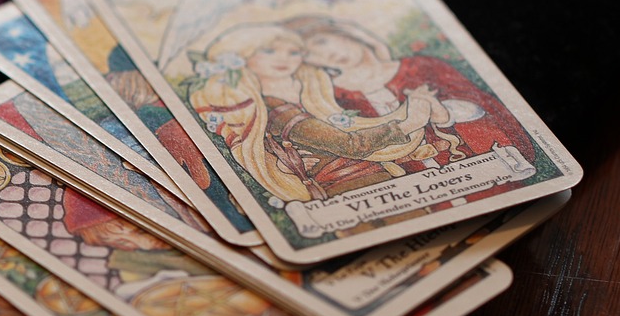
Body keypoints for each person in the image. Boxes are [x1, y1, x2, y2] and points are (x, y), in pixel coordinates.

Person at [181, 23, 440, 203]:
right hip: (351, 190)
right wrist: (409, 123)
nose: (284, 58)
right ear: (241, 57)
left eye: (294, 52)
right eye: (269, 51)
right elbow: (350, 144)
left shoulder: (312, 91)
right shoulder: (273, 108)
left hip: (377, 181)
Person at [282, 15, 536, 169]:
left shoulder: (422, 66)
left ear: (346, 34)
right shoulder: (336, 98)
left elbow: (489, 111)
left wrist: (440, 112)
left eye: (322, 42)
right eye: (311, 54)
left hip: (478, 168)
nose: (325, 54)